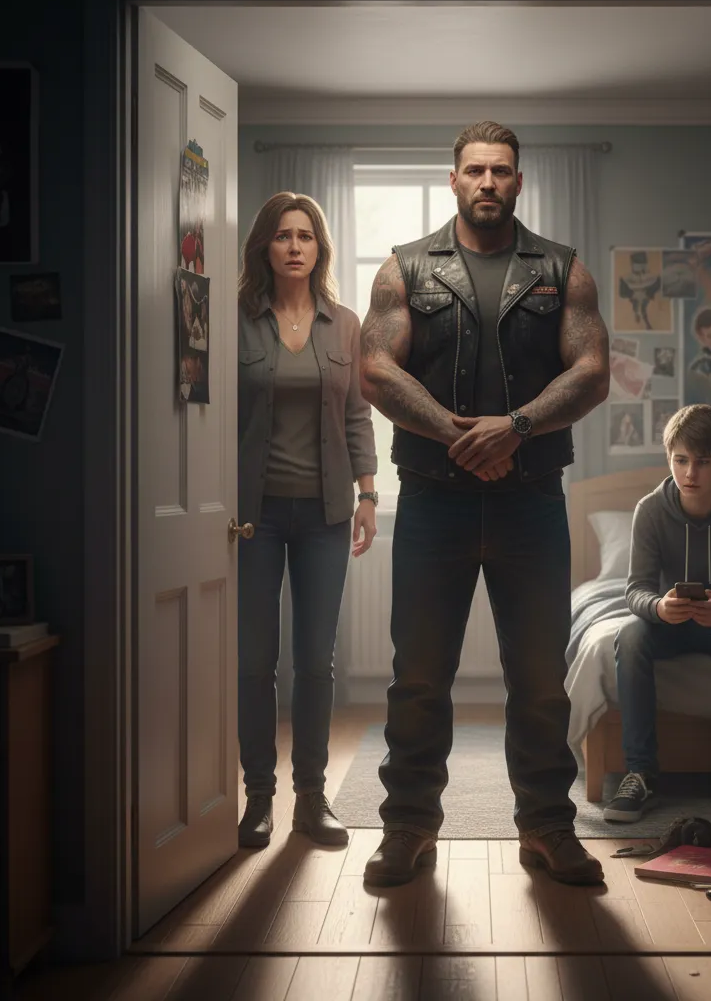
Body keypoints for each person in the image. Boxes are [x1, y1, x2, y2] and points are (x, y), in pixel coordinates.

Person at [358, 121, 610, 887]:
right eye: (476, 170)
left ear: (519, 182)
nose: (489, 182)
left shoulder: (562, 269)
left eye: (501, 170)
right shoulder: (405, 267)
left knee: (539, 679)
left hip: (531, 503)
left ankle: (547, 828)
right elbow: (375, 369)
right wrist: (458, 433)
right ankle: (408, 828)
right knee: (418, 677)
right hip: (432, 502)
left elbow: (592, 370)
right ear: (455, 180)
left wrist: (518, 427)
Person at [236, 191, 378, 849]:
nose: (294, 246)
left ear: (320, 249)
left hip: (325, 513)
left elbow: (357, 413)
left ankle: (312, 799)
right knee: (254, 661)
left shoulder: (344, 325)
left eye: (306, 236)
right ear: (264, 247)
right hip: (254, 517)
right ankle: (258, 798)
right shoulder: (236, 321)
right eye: (282, 235)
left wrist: (368, 494)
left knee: (316, 661)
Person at [604, 403, 711, 825]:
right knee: (630, 635)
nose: (690, 473)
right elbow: (635, 590)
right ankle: (640, 773)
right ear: (669, 459)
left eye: (702, 462)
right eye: (680, 460)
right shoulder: (650, 510)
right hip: (669, 624)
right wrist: (659, 607)